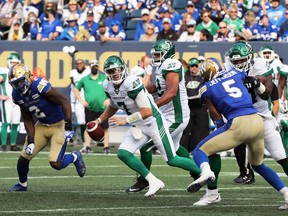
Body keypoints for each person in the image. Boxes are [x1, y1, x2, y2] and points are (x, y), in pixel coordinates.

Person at [188, 57, 288, 210]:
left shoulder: (205, 87)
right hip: (258, 120)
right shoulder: (236, 73)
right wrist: (259, 85)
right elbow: (258, 79)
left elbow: (214, 112)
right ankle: (286, 194)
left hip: (239, 123)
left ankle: (207, 173)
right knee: (258, 164)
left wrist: (221, 127)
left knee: (199, 150)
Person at [94, 55, 200, 197]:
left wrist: (126, 120)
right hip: (139, 124)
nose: (115, 74)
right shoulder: (108, 85)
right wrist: (99, 121)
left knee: (172, 159)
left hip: (153, 122)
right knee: (123, 153)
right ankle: (152, 181)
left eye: (117, 70)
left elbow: (147, 111)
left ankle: (204, 174)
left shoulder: (132, 82)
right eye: (111, 71)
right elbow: (113, 106)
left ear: (123, 69)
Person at [126, 39, 201, 193]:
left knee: (146, 147)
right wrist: (142, 90)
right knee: (176, 148)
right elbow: (158, 87)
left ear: (167, 53)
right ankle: (197, 173)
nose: (156, 57)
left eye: (159, 54)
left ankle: (144, 180)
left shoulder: (170, 64)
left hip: (175, 117)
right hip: (169, 115)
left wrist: (153, 106)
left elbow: (171, 92)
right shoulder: (162, 67)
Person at [8, 63, 86, 192]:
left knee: (55, 163)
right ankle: (22, 184)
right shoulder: (17, 95)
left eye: (20, 81)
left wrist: (68, 126)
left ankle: (75, 156)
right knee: (23, 158)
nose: (19, 86)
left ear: (28, 77)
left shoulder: (39, 86)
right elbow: (27, 118)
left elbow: (64, 101)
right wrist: (31, 141)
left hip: (59, 125)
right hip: (42, 125)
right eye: (15, 83)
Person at [73, 60, 110, 154]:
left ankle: (106, 147)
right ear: (90, 67)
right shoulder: (85, 79)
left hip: (102, 108)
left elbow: (113, 88)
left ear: (98, 66)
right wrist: (81, 100)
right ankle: (87, 146)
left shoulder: (104, 78)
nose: (95, 67)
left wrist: (109, 99)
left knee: (105, 128)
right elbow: (76, 89)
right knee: (88, 128)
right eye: (93, 66)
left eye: (96, 66)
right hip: (90, 107)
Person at [180, 57, 209, 153]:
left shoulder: (203, 76)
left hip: (200, 106)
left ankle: (200, 149)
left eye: (196, 66)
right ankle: (183, 149)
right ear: (188, 67)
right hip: (187, 106)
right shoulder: (184, 76)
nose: (194, 68)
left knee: (201, 129)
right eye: (192, 66)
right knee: (185, 129)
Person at [0, 53, 22, 152]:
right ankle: (3, 145)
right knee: (5, 123)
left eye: (16, 62)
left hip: (17, 101)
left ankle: (13, 145)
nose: (13, 64)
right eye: (12, 62)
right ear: (8, 62)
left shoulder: (21, 72)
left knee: (15, 123)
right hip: (7, 100)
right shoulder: (4, 71)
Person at [69, 59, 91, 151]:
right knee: (82, 123)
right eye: (77, 63)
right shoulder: (73, 73)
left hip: (89, 99)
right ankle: (85, 144)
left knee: (91, 122)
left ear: (84, 64)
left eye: (81, 63)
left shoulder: (88, 71)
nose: (79, 65)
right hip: (79, 100)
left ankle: (92, 142)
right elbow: (74, 87)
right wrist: (73, 102)